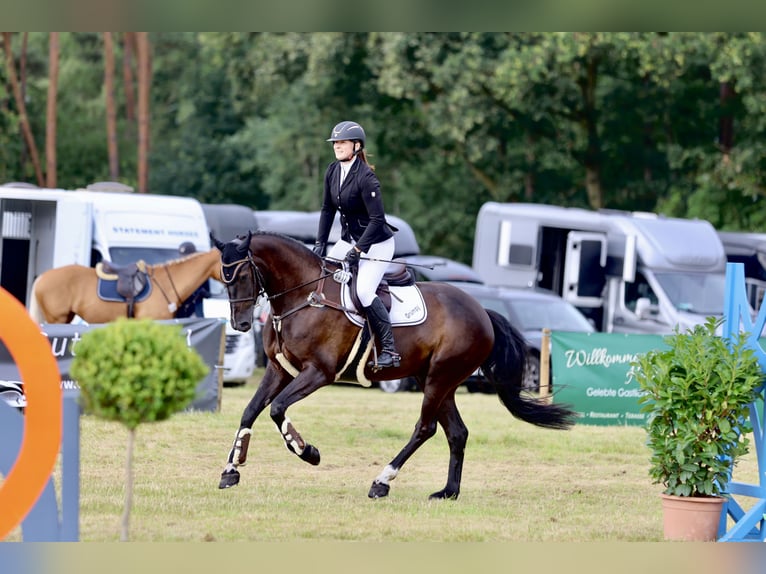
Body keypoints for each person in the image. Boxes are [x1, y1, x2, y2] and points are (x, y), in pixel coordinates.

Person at [313, 120, 401, 369]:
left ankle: (389, 350)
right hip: (349, 240)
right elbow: (327, 209)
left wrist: (357, 251)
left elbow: (377, 221)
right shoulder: (332, 171)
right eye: (335, 143)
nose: (337, 147)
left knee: (363, 292)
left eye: (342, 143)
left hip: (377, 244)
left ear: (356, 145)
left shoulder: (366, 178)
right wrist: (321, 243)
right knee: (322, 276)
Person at [175, 241, 209, 318]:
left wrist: (200, 292)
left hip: (196, 312)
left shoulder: (201, 272)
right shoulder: (176, 272)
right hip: (179, 312)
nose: (185, 259)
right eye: (183, 257)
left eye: (187, 257)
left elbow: (208, 293)